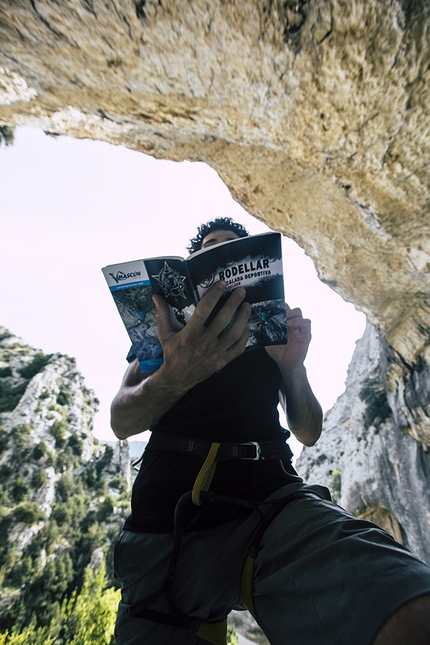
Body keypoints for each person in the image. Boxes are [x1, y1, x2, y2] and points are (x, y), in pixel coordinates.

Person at [111, 218, 430, 645]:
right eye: (208, 247)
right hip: (169, 514)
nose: (218, 249)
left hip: (274, 499)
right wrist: (175, 373)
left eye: (228, 247)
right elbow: (122, 421)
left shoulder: (269, 339)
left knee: (396, 595)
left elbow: (309, 432)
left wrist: (292, 367)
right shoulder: (165, 338)